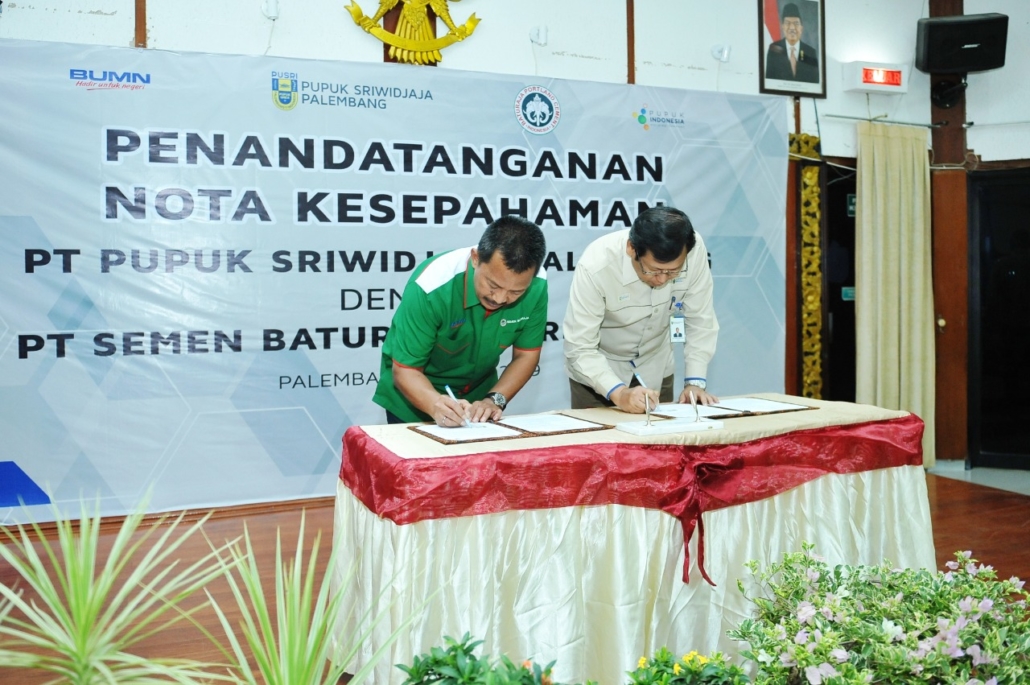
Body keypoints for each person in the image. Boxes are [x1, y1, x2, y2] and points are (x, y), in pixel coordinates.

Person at [373, 215, 548, 426]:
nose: (500, 298)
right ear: (476, 258)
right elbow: (405, 370)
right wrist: (435, 404)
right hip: (415, 399)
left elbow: (525, 355)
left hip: (478, 403)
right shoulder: (431, 285)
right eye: (493, 285)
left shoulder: (536, 285)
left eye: (516, 292)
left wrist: (494, 400)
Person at [563, 206, 719, 414]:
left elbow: (701, 319)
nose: (662, 279)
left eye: (673, 272)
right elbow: (579, 347)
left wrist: (695, 383)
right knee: (601, 434)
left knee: (661, 433)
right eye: (653, 270)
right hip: (600, 373)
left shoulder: (693, 250)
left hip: (657, 364)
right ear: (631, 248)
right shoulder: (597, 265)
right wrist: (619, 393)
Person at [765, 3, 820, 83]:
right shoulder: (774, 49)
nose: (792, 28)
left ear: (801, 28)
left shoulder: (810, 52)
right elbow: (769, 81)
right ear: (782, 26)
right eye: (787, 23)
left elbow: (815, 83)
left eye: (796, 23)